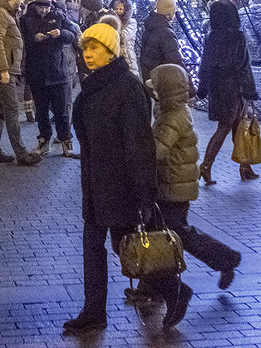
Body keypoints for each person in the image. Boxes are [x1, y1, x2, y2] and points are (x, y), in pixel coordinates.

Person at [64, 22, 191, 334]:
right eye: (85, 49)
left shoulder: (128, 87)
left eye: (95, 48)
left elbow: (139, 145)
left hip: (120, 184)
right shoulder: (93, 85)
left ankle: (174, 289)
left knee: (127, 247)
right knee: (93, 246)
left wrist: (145, 194)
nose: (88, 54)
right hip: (95, 182)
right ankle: (93, 311)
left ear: (111, 51)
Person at [150, 64, 241, 289]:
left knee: (177, 233)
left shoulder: (171, 118)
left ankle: (225, 258)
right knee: (170, 233)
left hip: (173, 186)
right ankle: (151, 286)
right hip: (176, 184)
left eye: (157, 89)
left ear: (165, 91)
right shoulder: (175, 111)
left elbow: (156, 152)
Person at [197, 0, 260, 184]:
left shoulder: (211, 36)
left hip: (217, 88)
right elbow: (243, 66)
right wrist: (250, 91)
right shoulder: (237, 36)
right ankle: (206, 166)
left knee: (233, 128)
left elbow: (205, 64)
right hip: (233, 89)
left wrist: (203, 88)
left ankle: (245, 166)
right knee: (228, 128)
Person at [0, 0, 42, 165]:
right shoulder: (0, 13)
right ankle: (22, 153)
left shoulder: (5, 13)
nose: (23, 2)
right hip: (5, 70)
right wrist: (3, 69)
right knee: (11, 110)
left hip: (8, 68)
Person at [19, 0, 78, 157]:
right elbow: (22, 40)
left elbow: (72, 35)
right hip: (36, 71)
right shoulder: (26, 20)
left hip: (57, 71)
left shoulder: (59, 15)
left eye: (46, 7)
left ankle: (66, 140)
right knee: (42, 110)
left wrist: (61, 34)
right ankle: (44, 139)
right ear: (35, 6)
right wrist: (33, 39)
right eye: (40, 7)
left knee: (61, 110)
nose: (44, 11)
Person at [139, 0, 184, 82]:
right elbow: (174, 60)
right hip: (164, 80)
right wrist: (189, 85)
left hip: (150, 77)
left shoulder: (150, 26)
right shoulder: (166, 32)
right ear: (170, 11)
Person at [109, 0, 140, 76]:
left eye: (121, 9)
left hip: (128, 61)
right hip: (115, 60)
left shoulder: (131, 22)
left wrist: (115, 21)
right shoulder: (110, 22)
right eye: (116, 9)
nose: (118, 11)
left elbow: (123, 37)